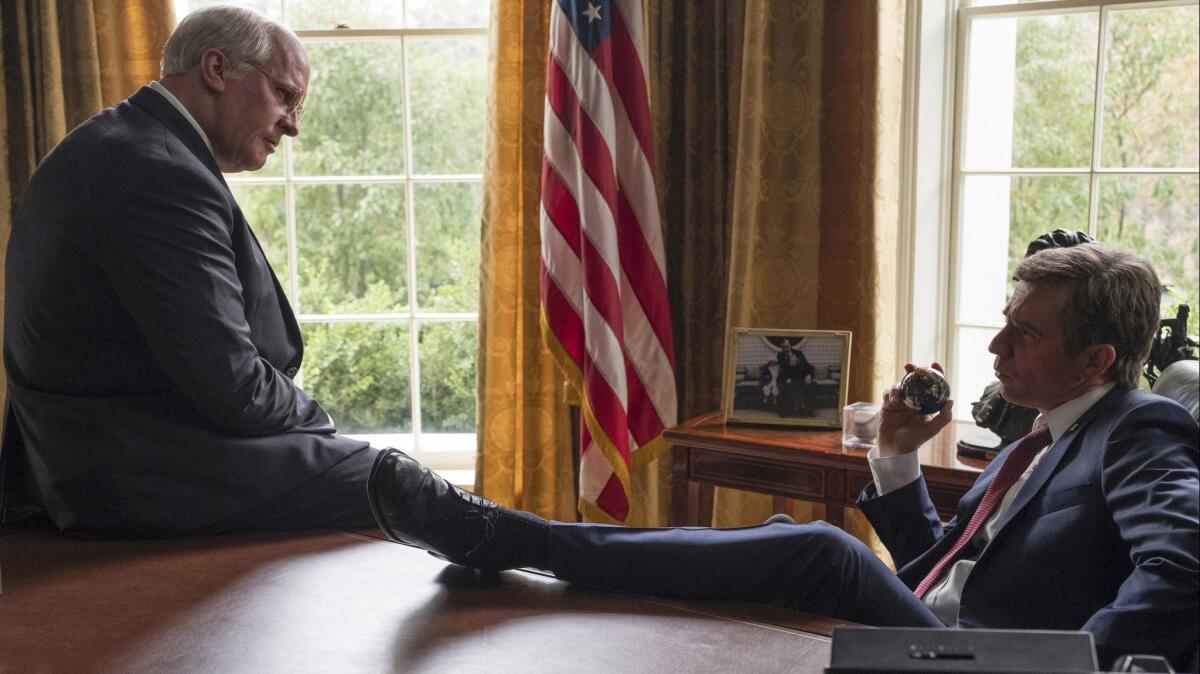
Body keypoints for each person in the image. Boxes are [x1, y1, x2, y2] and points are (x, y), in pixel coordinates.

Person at [373, 244, 1197, 670]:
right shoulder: (1043, 433)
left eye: (1028, 332)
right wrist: (898, 462)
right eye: (1004, 320)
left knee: (819, 549)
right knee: (776, 537)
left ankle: (508, 538)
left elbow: (1184, 563)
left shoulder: (1140, 428)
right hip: (941, 635)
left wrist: (1077, 670)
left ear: (1097, 359)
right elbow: (938, 572)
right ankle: (524, 552)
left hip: (1005, 665)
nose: (997, 347)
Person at [776, 339, 816, 416]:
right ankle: (784, 411)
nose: (785, 349)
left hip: (799, 377)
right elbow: (785, 369)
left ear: (791, 346)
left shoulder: (799, 353)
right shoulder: (780, 355)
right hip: (786, 377)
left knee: (812, 386)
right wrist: (788, 377)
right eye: (783, 347)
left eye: (787, 347)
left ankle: (809, 409)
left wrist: (808, 375)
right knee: (783, 387)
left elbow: (806, 365)